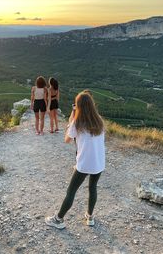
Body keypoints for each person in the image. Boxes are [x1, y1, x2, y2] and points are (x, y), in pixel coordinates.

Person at [45, 91, 105, 229]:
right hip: (99, 163)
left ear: (78, 106)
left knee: (71, 191)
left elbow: (67, 139)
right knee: (93, 188)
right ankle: (90, 217)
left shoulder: (77, 123)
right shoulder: (99, 120)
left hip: (84, 164)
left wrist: (72, 117)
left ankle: (58, 219)